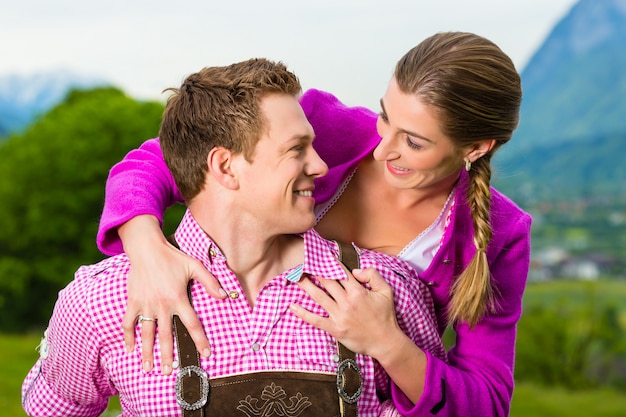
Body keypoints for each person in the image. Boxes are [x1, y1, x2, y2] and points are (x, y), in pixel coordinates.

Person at [96, 31, 532, 417]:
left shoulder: (500, 233)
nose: (383, 151)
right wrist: (148, 251)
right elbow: (160, 160)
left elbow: (486, 402)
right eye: (385, 116)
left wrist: (387, 343)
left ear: (476, 147)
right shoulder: (323, 127)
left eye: (413, 142)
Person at [22, 58, 445, 417]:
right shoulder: (102, 302)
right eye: (297, 149)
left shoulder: (382, 290)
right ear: (225, 167)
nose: (319, 166)